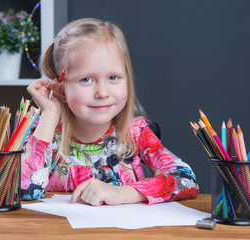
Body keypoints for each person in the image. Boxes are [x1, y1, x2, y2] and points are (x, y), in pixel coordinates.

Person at [21, 18, 199, 206]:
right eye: (87, 80)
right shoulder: (43, 131)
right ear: (61, 89)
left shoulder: (136, 132)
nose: (102, 93)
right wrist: (50, 112)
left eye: (113, 77)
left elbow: (186, 179)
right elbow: (24, 189)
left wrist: (122, 193)